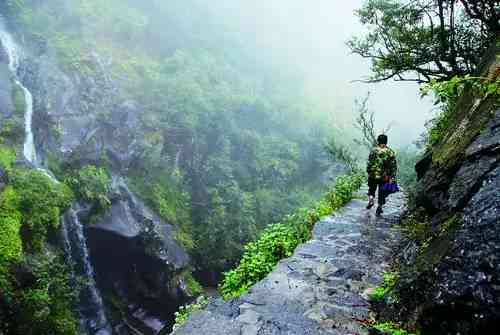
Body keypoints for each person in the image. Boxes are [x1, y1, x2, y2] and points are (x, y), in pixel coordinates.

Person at [366, 134, 398, 216]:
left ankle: (371, 199)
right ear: (386, 141)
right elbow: (393, 166)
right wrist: (392, 176)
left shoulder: (373, 150)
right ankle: (379, 207)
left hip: (373, 174)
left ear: (378, 141)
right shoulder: (390, 152)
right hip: (384, 176)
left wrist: (368, 171)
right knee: (382, 192)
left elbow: (369, 162)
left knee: (371, 189)